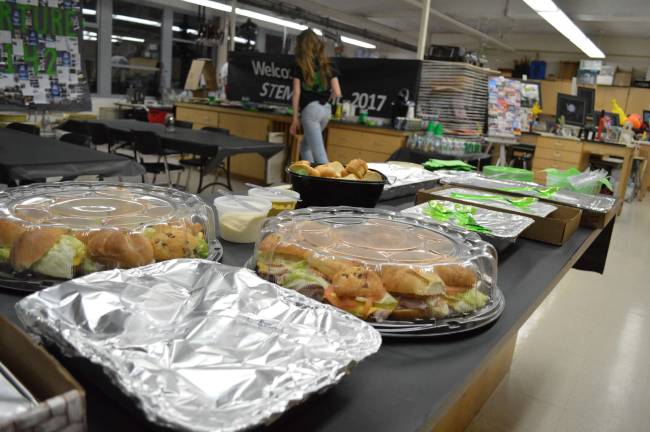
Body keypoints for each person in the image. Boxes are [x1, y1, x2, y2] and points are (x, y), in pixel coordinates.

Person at [290, 29, 341, 164]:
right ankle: (311, 179)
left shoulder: (299, 65)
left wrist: (295, 118)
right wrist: (324, 100)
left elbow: (296, 93)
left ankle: (329, 184)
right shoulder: (328, 64)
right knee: (305, 147)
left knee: (320, 157)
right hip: (326, 110)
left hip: (311, 111)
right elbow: (337, 92)